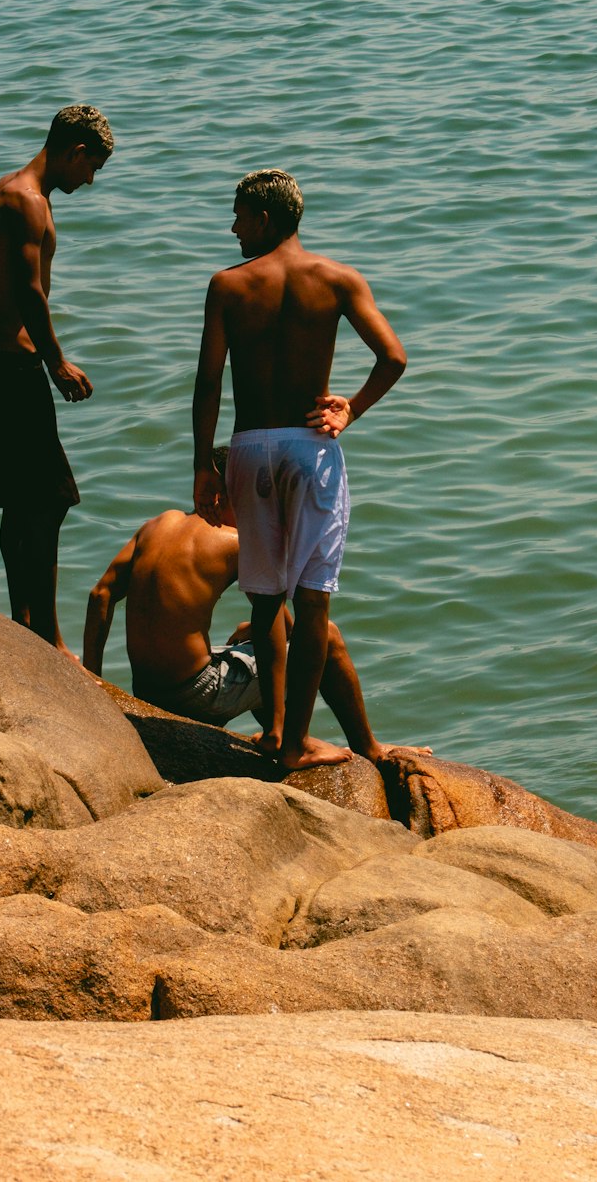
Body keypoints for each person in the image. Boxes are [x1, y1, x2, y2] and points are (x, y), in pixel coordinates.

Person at [192, 167, 410, 769]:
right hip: (309, 449)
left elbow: (209, 381)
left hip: (250, 446)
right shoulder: (337, 279)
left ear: (264, 218)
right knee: (313, 603)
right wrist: (350, 410)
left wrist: (202, 465)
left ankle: (277, 734)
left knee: (264, 602)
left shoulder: (227, 286)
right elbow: (393, 357)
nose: (233, 228)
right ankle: (294, 745)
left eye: (239, 215)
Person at [83, 449, 419, 766]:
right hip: (196, 694)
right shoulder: (236, 541)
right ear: (226, 495)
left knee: (249, 635)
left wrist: (92, 680)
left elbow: (100, 595)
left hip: (147, 687)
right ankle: (359, 748)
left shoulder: (158, 525)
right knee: (326, 637)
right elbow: (274, 621)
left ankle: (284, 730)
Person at [0, 104, 114, 652]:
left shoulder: (6, 190)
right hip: (13, 376)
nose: (89, 180)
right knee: (46, 502)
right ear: (74, 152)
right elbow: (31, 291)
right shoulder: (28, 203)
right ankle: (47, 639)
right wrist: (55, 362)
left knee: (21, 504)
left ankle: (22, 620)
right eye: (90, 167)